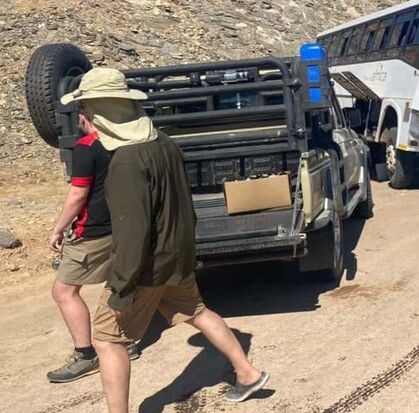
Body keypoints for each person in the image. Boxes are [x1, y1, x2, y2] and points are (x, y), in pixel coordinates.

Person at [60, 68, 269, 412]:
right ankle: (247, 373)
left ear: (100, 113)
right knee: (197, 311)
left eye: (86, 109)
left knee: (106, 339)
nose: (83, 116)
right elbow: (182, 205)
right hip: (175, 255)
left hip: (146, 267)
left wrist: (122, 288)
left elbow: (133, 233)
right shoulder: (163, 142)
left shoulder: (125, 162)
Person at [47, 111, 139, 383]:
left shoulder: (87, 147)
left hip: (93, 230)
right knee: (115, 283)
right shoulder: (126, 142)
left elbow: (78, 195)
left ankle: (85, 354)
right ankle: (124, 341)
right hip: (125, 226)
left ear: (85, 115)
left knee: (64, 291)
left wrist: (58, 228)